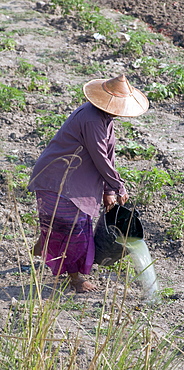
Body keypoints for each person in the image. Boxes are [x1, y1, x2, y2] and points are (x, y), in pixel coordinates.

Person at [28, 74, 149, 292]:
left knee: (61, 227)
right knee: (74, 234)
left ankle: (46, 244)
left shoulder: (104, 118)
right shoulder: (93, 119)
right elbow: (100, 157)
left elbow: (107, 156)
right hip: (60, 180)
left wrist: (110, 188)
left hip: (72, 179)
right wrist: (118, 185)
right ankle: (74, 279)